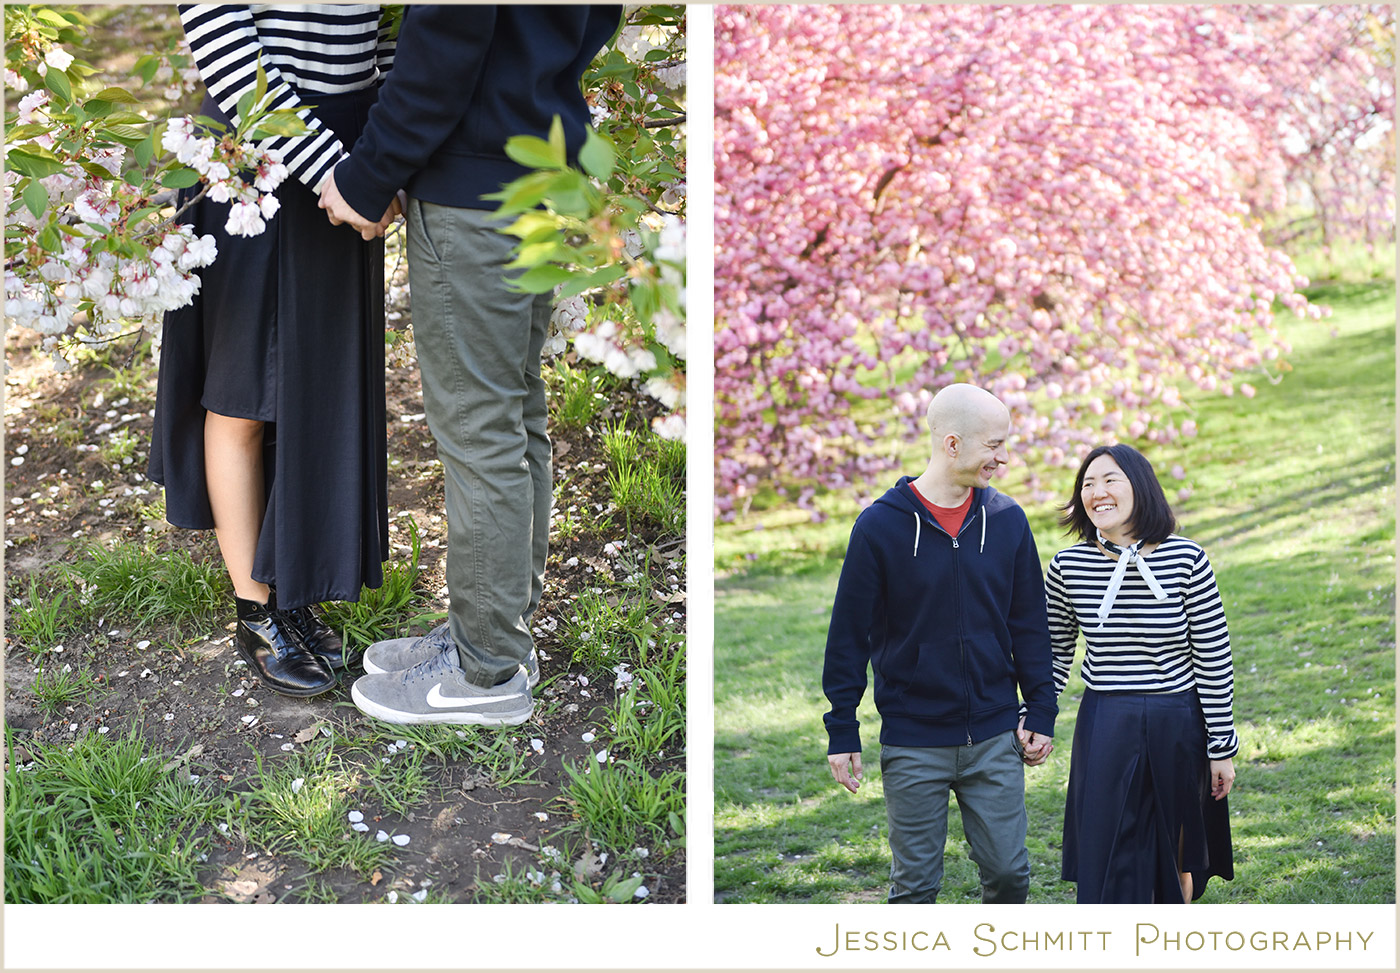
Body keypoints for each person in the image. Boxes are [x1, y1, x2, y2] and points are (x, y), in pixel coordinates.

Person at [316, 5, 622, 725]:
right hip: (542, 171)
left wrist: (369, 174)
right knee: (516, 410)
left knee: (482, 428)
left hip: (477, 188)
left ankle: (486, 672)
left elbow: (444, 39)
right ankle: (499, 636)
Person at [148, 4, 400, 697]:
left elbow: (377, 40)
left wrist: (383, 157)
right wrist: (338, 176)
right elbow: (231, 60)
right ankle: (255, 609)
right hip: (255, 160)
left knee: (311, 388)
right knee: (243, 394)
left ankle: (290, 590)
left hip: (348, 153)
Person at [822, 383, 1058, 904]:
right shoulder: (879, 527)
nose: (1002, 458)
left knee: (1010, 876)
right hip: (914, 741)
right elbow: (848, 635)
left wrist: (1041, 708)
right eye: (993, 445)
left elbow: (1029, 625)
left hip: (996, 736)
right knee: (915, 889)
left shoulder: (1007, 521)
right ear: (952, 444)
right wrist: (842, 728)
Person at [1046, 443, 1237, 903]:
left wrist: (1221, 747)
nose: (1097, 492)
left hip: (1178, 720)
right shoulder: (1066, 566)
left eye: (1110, 479)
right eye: (1087, 484)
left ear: (1141, 487)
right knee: (1108, 851)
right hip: (1106, 720)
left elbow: (1214, 657)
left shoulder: (1188, 559)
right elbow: (1053, 654)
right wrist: (1038, 718)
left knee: (1176, 854)